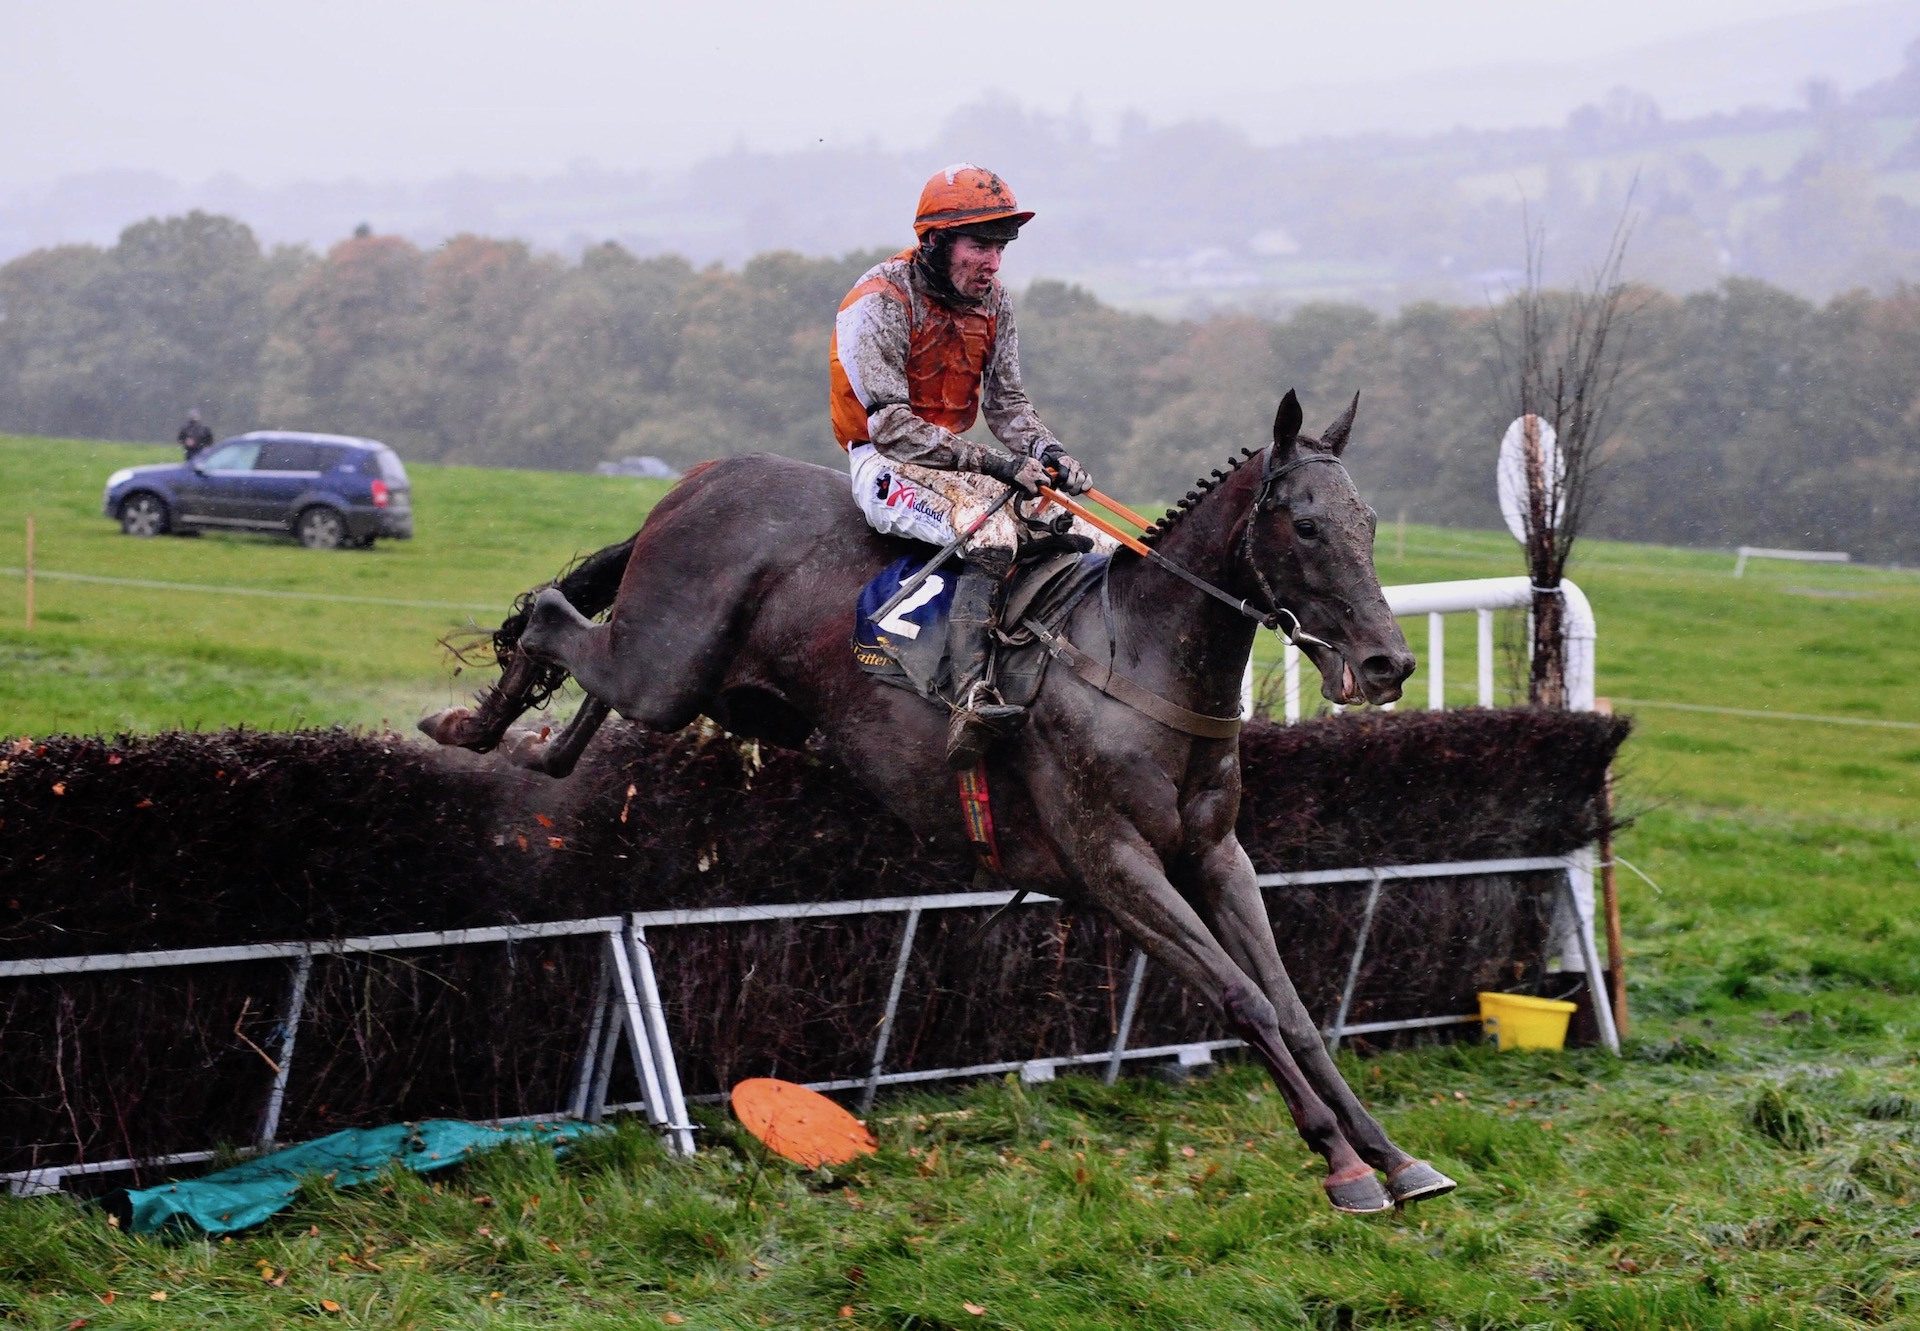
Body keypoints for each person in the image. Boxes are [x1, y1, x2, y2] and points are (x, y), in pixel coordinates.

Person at [830, 164, 1109, 769]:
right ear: (934, 243)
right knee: (993, 532)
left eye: (1000, 248)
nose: (993, 263)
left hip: (960, 467)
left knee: (1092, 535)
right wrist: (999, 465)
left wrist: (1050, 453)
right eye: (980, 245)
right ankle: (969, 697)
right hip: (885, 462)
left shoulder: (995, 304)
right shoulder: (877, 302)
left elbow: (1007, 405)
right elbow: (891, 426)